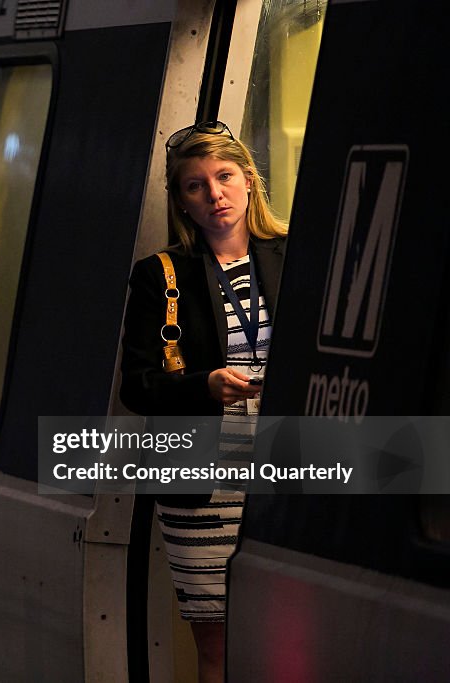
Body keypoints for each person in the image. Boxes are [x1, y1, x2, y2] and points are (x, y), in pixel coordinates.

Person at [120, 121, 287, 682]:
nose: (214, 194)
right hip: (201, 483)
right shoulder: (161, 276)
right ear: (181, 201)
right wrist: (204, 386)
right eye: (195, 185)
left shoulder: (295, 257)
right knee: (217, 647)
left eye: (224, 176)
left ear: (249, 181)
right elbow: (136, 384)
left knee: (288, 638)